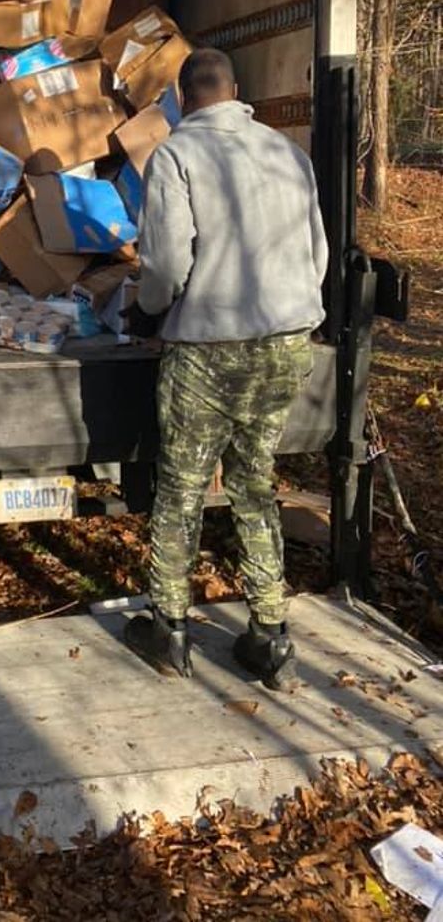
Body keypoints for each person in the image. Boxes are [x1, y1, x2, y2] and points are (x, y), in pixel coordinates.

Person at [122, 47, 328, 691]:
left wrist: (148, 314)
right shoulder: (287, 153)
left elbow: (164, 263)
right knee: (255, 483)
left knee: (181, 488)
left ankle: (170, 630)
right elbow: (316, 253)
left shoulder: (176, 155)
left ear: (183, 97)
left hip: (208, 350)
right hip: (284, 345)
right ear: (238, 91)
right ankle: (269, 634)